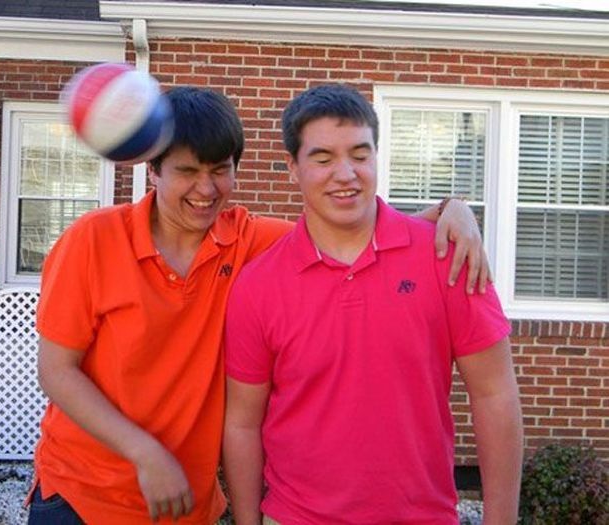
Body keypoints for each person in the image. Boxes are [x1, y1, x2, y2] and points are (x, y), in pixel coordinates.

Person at [28, 85, 490, 525]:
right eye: (187, 171)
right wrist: (144, 452)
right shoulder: (93, 240)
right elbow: (56, 371)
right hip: (81, 496)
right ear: (154, 170)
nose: (206, 189)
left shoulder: (249, 241)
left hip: (184, 505)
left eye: (219, 170)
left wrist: (452, 210)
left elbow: (348, 230)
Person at [223, 84, 523, 525]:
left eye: (360, 155)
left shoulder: (447, 255)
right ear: (292, 167)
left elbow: (495, 394)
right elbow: (242, 424)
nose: (345, 173)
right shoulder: (258, 285)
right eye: (323, 158)